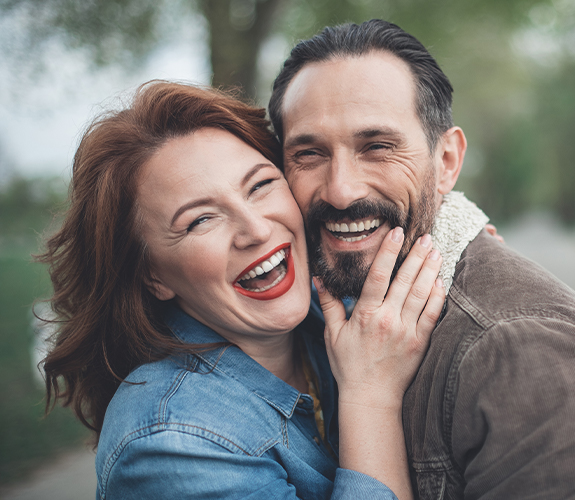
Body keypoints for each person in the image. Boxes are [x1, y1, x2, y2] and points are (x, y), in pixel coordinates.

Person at [40, 81, 447, 499]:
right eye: (200, 220)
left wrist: (460, 237)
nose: (256, 229)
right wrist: (370, 396)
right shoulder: (171, 444)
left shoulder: (328, 301)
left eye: (259, 186)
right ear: (152, 277)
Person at [269, 19, 575, 499]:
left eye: (378, 147)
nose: (341, 190)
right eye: (309, 154)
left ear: (446, 162)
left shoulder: (516, 348)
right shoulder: (310, 304)